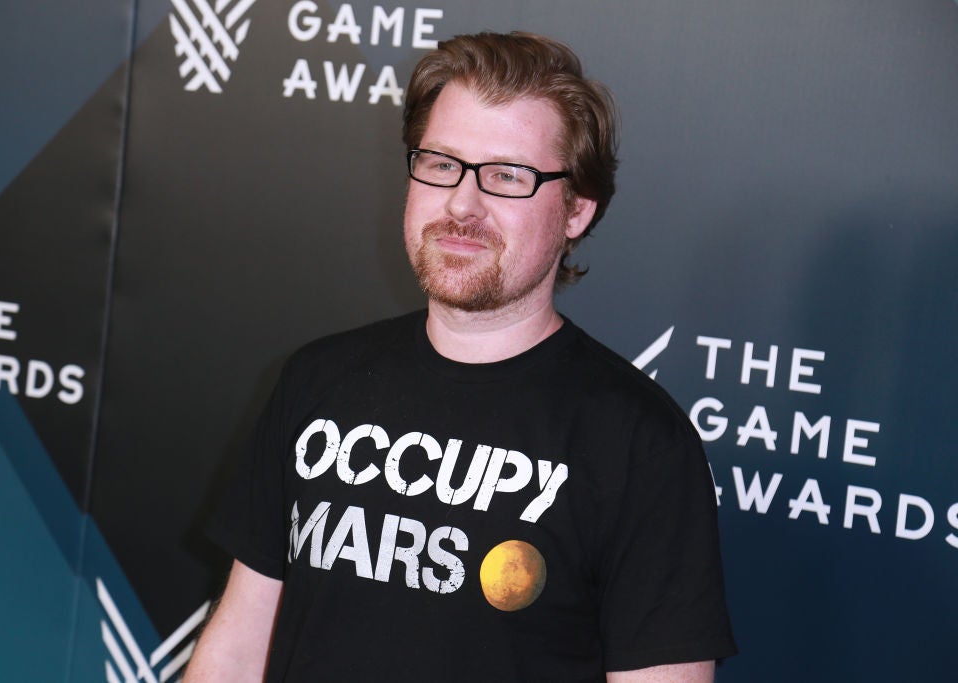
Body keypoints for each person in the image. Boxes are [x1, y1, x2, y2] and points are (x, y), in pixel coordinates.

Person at [185, 31, 736, 682]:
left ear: (576, 211)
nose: (462, 204)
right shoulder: (317, 379)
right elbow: (236, 652)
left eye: (507, 176)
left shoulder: (640, 443)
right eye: (442, 163)